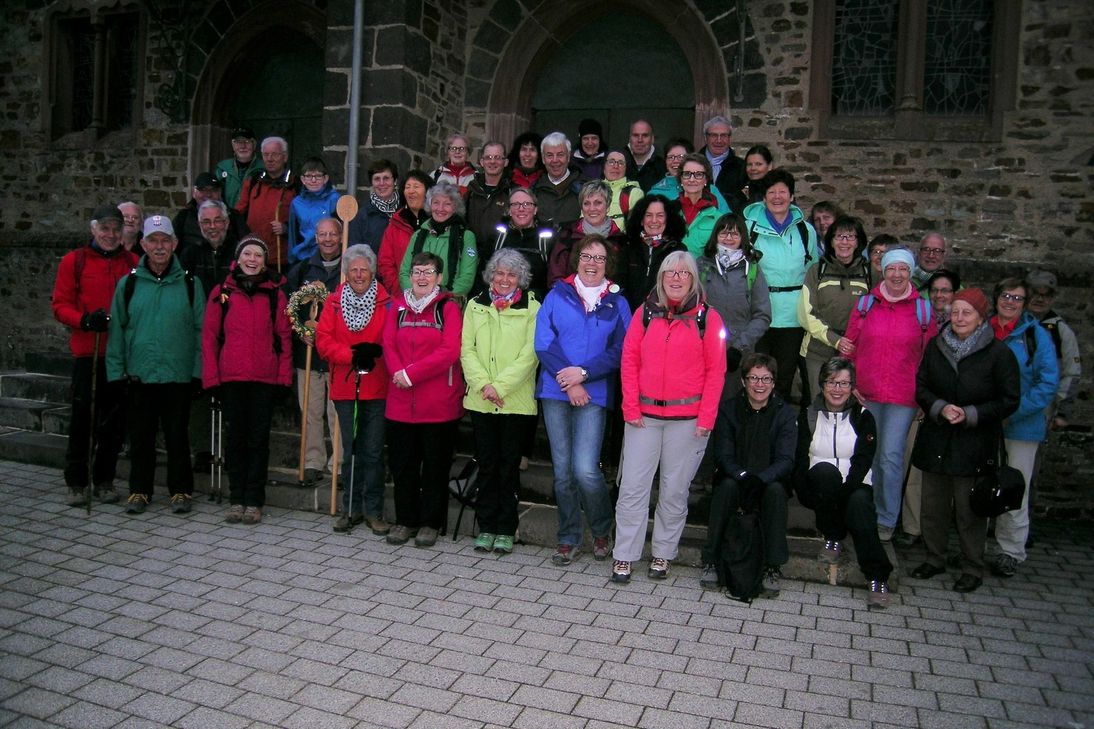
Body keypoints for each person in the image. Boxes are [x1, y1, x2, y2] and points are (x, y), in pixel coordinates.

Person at [612, 251, 727, 584]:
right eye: (670, 273)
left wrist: (706, 418)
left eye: (684, 273)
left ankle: (663, 552)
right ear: (661, 278)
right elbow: (629, 360)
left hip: (688, 420)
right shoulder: (644, 313)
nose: (676, 279)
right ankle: (624, 554)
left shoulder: (709, 319)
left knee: (674, 491)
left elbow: (716, 371)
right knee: (632, 488)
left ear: (693, 279)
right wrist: (630, 407)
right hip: (644, 417)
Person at [911, 288, 1019, 593]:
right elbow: (921, 386)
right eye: (955, 311)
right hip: (938, 436)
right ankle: (934, 557)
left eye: (967, 312)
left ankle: (972, 566)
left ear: (981, 317)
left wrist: (971, 414)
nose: (959, 318)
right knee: (932, 505)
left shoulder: (999, 354)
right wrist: (940, 407)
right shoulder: (936, 346)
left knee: (969, 509)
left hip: (974, 442)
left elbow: (1009, 399)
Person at [535, 235, 631, 565]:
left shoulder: (618, 303)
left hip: (594, 392)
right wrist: (569, 381)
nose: (592, 263)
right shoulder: (556, 295)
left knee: (586, 470)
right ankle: (568, 537)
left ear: (608, 264)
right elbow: (543, 343)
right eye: (587, 256)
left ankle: (602, 529)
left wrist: (584, 375)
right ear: (577, 260)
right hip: (556, 391)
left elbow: (621, 350)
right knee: (563, 473)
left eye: (599, 258)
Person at [106, 215, 205, 515]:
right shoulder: (129, 284)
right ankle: (139, 490)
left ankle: (181, 491)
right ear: (143, 244)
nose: (159, 247)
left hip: (178, 373)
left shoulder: (190, 283)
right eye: (153, 241)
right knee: (141, 437)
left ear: (175, 244)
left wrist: (198, 372)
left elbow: (201, 331)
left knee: (177, 436)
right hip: (140, 374)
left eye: (165, 240)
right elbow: (117, 331)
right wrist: (116, 372)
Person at [844, 247, 937, 542]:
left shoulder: (922, 310)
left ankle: (886, 518)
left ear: (910, 272)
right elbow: (850, 345)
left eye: (903, 269)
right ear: (883, 271)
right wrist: (850, 382)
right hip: (867, 393)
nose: (897, 275)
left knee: (890, 457)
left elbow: (930, 358)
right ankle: (864, 512)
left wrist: (925, 397)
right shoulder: (866, 304)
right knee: (867, 455)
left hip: (903, 396)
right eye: (891, 269)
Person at [51, 204, 139, 506]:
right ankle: (77, 481)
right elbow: (60, 305)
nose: (111, 234)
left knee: (114, 423)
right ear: (93, 229)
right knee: (83, 420)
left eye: (116, 229)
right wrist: (84, 320)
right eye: (105, 228)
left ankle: (104, 479)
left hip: (119, 354)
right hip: (88, 352)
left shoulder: (133, 263)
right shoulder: (74, 261)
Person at [202, 236, 292, 524]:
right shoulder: (222, 292)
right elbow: (210, 337)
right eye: (247, 254)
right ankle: (236, 498)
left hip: (264, 378)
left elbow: (284, 338)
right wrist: (211, 378)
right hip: (232, 377)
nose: (252, 260)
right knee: (236, 440)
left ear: (265, 261)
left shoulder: (275, 294)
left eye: (258, 255)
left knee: (258, 441)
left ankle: (254, 500)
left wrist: (283, 377)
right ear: (238, 258)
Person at [794, 357, 893, 607]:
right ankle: (833, 536)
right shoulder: (809, 415)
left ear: (852, 387)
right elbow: (800, 457)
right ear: (822, 384)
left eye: (844, 383)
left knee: (859, 504)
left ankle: (877, 576)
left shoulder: (863, 416)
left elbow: (864, 459)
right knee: (825, 473)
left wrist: (848, 489)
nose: (837, 389)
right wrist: (802, 486)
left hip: (855, 484)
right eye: (831, 382)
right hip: (820, 485)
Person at [461, 249, 541, 556]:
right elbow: (467, 350)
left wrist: (499, 387)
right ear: (490, 275)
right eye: (500, 273)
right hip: (481, 400)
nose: (505, 279)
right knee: (487, 465)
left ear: (521, 278)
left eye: (512, 274)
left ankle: (506, 529)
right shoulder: (475, 305)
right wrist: (484, 385)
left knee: (508, 467)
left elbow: (530, 355)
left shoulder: (533, 307)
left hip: (514, 401)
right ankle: (486, 527)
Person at [382, 252, 465, 547]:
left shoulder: (448, 308)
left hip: (438, 405)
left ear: (439, 278)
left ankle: (430, 522)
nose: (422, 277)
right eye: (417, 271)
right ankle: (405, 520)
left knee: (434, 467)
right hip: (400, 403)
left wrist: (411, 374)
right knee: (403, 466)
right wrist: (398, 372)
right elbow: (388, 343)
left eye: (428, 272)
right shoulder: (397, 307)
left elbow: (449, 350)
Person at [700, 353, 795, 596]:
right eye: (753, 378)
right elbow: (723, 455)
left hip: (768, 479)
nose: (759, 384)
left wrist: (761, 479)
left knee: (776, 492)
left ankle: (772, 566)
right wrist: (742, 476)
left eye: (766, 379)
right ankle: (711, 560)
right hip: (736, 476)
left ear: (773, 382)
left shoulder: (785, 413)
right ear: (743, 381)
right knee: (726, 488)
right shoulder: (728, 410)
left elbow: (786, 459)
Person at [315, 244, 391, 535]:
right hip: (346, 388)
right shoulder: (334, 303)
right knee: (351, 451)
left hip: (377, 387)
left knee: (372, 452)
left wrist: (376, 351)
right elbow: (324, 341)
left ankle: (373, 510)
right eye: (354, 270)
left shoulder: (386, 303)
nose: (359, 274)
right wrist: (352, 355)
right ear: (346, 273)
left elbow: (391, 340)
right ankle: (350, 508)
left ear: (372, 272)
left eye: (364, 270)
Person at [989, 277, 1058, 578]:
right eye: (1006, 295)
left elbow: (1047, 384)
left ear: (1025, 303)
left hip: (1020, 425)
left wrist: (1012, 413)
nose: (1010, 302)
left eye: (1017, 298)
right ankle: (974, 547)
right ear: (996, 297)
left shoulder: (1036, 336)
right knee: (981, 484)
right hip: (985, 422)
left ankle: (1010, 551)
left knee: (1015, 487)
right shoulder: (983, 329)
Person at [895, 267, 963, 549]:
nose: (939, 295)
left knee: (938, 474)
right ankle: (912, 526)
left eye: (945, 290)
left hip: (949, 407)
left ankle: (934, 530)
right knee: (912, 467)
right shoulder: (919, 317)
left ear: (955, 293)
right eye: (934, 290)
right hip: (919, 401)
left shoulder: (962, 325)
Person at [179, 199, 248, 472]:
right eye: (206, 222)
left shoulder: (240, 253)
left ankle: (231, 449)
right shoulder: (190, 254)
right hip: (201, 332)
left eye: (217, 220)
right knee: (200, 391)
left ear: (227, 222)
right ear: (199, 225)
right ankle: (203, 450)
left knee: (232, 395)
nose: (212, 227)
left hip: (233, 333)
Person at [744, 169, 820, 402]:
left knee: (784, 377)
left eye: (783, 192)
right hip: (759, 311)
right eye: (771, 192)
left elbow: (813, 272)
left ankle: (779, 421)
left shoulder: (805, 231)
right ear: (764, 197)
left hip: (793, 316)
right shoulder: (748, 228)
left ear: (792, 196)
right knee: (755, 375)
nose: (777, 197)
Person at [283, 217, 344, 484]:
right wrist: (301, 332)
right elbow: (290, 308)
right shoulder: (303, 269)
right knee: (310, 409)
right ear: (316, 238)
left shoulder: (347, 270)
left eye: (333, 234)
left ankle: (338, 462)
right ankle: (312, 460)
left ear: (340, 237)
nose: (328, 239)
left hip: (336, 354)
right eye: (323, 235)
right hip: (307, 352)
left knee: (336, 412)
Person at [697, 213, 771, 400]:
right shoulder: (701, 266)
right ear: (715, 236)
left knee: (733, 405)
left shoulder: (752, 270)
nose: (728, 238)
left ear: (742, 238)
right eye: (723, 233)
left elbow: (762, 315)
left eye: (735, 234)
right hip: (703, 350)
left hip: (739, 354)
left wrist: (739, 348)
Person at [797, 216, 872, 402]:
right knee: (818, 402)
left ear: (858, 242)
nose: (844, 242)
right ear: (830, 241)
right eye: (839, 236)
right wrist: (835, 340)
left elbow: (877, 313)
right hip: (817, 351)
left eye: (850, 237)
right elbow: (806, 314)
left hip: (856, 351)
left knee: (849, 403)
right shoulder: (817, 270)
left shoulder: (870, 273)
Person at [397, 181, 478, 298]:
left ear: (455, 207)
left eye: (447, 204)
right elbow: (405, 272)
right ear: (430, 205)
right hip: (416, 301)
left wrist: (442, 299)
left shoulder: (466, 237)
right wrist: (416, 296)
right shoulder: (418, 235)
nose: (440, 208)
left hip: (449, 302)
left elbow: (467, 277)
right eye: (436, 202)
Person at [236, 136, 298, 270]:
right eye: (266, 154)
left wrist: (287, 228)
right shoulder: (253, 182)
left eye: (275, 154)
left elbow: (304, 221)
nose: (270, 159)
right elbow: (238, 215)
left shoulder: (295, 185)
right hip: (253, 258)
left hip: (282, 259)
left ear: (285, 157)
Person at [548, 180, 627, 287]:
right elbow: (556, 277)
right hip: (570, 295)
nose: (592, 208)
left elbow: (624, 280)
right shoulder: (567, 236)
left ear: (608, 206)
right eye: (586, 203)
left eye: (598, 203)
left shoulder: (620, 240)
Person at [617, 195, 688, 313]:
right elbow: (620, 284)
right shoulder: (628, 248)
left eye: (660, 215)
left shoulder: (678, 250)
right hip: (629, 315)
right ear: (641, 219)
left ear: (668, 219)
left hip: (664, 316)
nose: (654, 220)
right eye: (648, 215)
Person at [491, 187, 554, 299]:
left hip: (537, 302)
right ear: (509, 210)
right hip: (500, 302)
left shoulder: (547, 239)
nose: (521, 209)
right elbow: (485, 273)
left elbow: (553, 278)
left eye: (527, 204)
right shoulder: (498, 237)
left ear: (535, 209)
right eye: (515, 204)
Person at [376, 170, 432, 294]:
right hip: (401, 294)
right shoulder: (396, 223)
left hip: (433, 294)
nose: (411, 191)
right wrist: (398, 289)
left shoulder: (436, 222)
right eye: (407, 187)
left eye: (416, 186)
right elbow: (385, 262)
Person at [172, 172, 248, 254]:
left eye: (213, 190)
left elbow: (247, 244)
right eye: (203, 190)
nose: (208, 194)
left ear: (220, 192)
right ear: (194, 193)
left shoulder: (233, 216)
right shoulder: (183, 217)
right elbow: (172, 247)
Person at [648, 138, 731, 210]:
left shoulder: (710, 189)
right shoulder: (656, 192)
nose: (675, 161)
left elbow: (726, 218)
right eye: (670, 157)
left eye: (681, 157)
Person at [287, 157, 340, 265]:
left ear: (325, 179)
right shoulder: (297, 203)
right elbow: (293, 234)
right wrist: (292, 260)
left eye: (318, 176)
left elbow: (342, 231)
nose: (313, 180)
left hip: (329, 255)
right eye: (309, 176)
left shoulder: (334, 199)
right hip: (304, 257)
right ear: (303, 180)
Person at [678, 153, 729, 256]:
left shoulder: (718, 218)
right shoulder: (668, 212)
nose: (692, 179)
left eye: (698, 174)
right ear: (681, 179)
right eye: (687, 174)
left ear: (706, 180)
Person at [532, 132, 585, 228]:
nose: (555, 160)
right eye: (549, 155)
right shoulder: (534, 190)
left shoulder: (585, 187)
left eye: (560, 155)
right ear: (543, 159)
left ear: (568, 157)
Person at [465, 142, 512, 250]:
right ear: (482, 162)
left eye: (497, 157)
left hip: (501, 253)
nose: (492, 161)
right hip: (472, 252)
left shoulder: (512, 192)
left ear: (505, 162)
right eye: (488, 157)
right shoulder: (471, 191)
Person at [348, 159, 400, 254]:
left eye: (386, 178)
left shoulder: (405, 211)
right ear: (372, 183)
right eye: (377, 179)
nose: (381, 183)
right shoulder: (362, 216)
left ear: (395, 181)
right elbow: (354, 252)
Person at [700, 116, 746, 207]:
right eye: (714, 135)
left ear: (730, 138)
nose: (719, 140)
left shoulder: (741, 167)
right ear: (706, 138)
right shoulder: (693, 165)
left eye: (724, 135)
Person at [215, 126, 262, 208]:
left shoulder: (264, 168)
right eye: (238, 142)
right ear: (233, 145)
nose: (242, 146)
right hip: (227, 215)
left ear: (254, 144)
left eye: (247, 141)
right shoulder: (222, 168)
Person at [602, 149, 644, 232]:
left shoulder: (634, 193)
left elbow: (635, 227)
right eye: (611, 162)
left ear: (626, 168)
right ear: (604, 166)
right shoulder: (592, 190)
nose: (615, 166)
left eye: (621, 163)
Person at [622, 119, 666, 193]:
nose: (640, 140)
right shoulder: (617, 163)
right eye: (635, 135)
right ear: (629, 138)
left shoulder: (663, 166)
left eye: (645, 135)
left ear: (652, 139)